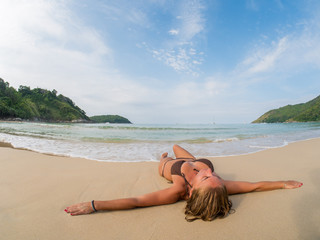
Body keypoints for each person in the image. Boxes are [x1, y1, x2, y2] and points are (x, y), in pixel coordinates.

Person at [64, 144, 303, 221]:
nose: (213, 174)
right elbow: (255, 186)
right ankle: (179, 154)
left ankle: (162, 157)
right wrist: (283, 183)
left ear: (192, 191)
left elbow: (136, 201)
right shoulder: (218, 188)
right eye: (216, 177)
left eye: (207, 177)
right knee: (180, 145)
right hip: (192, 160)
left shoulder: (177, 191)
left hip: (172, 167)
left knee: (170, 156)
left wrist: (95, 205)